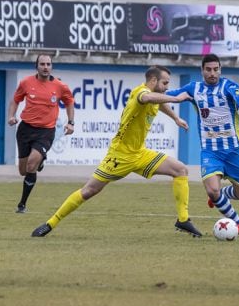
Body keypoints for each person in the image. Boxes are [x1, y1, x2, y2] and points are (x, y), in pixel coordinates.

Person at [32, 65, 202, 238]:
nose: (167, 87)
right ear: (153, 81)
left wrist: (175, 118)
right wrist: (177, 99)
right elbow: (148, 98)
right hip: (119, 156)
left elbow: (158, 102)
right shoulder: (140, 93)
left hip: (139, 153)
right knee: (89, 191)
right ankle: (50, 223)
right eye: (165, 83)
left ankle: (183, 220)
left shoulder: (155, 97)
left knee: (180, 170)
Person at [165, 54, 239, 235]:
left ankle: (221, 196)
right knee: (213, 190)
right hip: (210, 151)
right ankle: (238, 222)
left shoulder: (229, 87)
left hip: (233, 150)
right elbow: (168, 96)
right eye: (208, 69)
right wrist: (145, 92)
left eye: (216, 69)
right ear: (202, 70)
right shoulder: (194, 89)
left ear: (220, 69)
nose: (212, 73)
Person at [7, 55, 75, 214]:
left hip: (46, 131)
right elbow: (15, 100)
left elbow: (70, 102)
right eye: (42, 64)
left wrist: (71, 122)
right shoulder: (26, 83)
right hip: (25, 129)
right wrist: (11, 116)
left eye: (48, 64)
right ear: (36, 66)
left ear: (51, 66)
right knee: (23, 171)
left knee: (32, 164)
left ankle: (22, 204)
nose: (46, 67)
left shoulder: (60, 86)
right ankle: (41, 160)